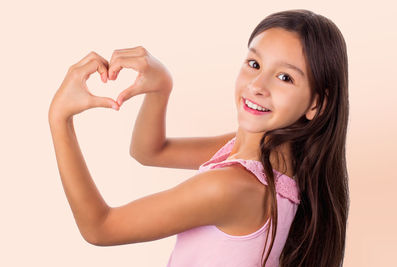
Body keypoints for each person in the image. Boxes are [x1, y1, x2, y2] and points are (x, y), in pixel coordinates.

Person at [48, 9, 349, 267]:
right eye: (254, 64)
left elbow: (100, 228)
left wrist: (59, 119)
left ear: (316, 104)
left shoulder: (230, 187)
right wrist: (161, 88)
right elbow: (149, 152)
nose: (258, 85)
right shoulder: (279, 158)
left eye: (285, 77)